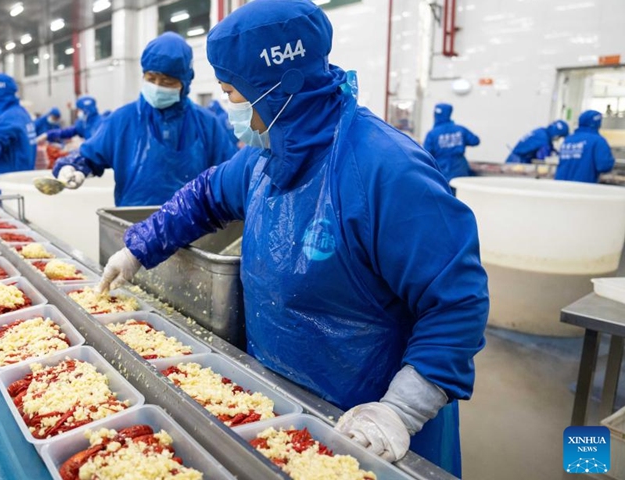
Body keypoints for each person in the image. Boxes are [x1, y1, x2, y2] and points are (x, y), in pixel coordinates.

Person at [94, 1, 488, 476]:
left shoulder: (387, 169)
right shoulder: (264, 157)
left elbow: (456, 301)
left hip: (372, 425)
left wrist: (401, 408)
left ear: (275, 89)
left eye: (233, 93)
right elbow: (204, 197)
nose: (230, 108)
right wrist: (139, 247)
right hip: (281, 410)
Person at [52, 32, 238, 206]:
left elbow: (230, 174)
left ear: (185, 82)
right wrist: (73, 167)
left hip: (195, 229)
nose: (157, 87)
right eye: (151, 79)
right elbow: (89, 156)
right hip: (134, 226)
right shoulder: (122, 120)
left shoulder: (207, 124)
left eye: (167, 82)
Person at [555, 110, 615, 183]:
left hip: (560, 186)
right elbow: (604, 166)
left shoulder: (568, 140)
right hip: (583, 187)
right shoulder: (598, 141)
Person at [423, 103, 480, 181]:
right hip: (460, 168)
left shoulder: (432, 134)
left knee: (445, 191)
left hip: (442, 169)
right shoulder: (460, 129)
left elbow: (426, 154)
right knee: (459, 191)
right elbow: (475, 141)